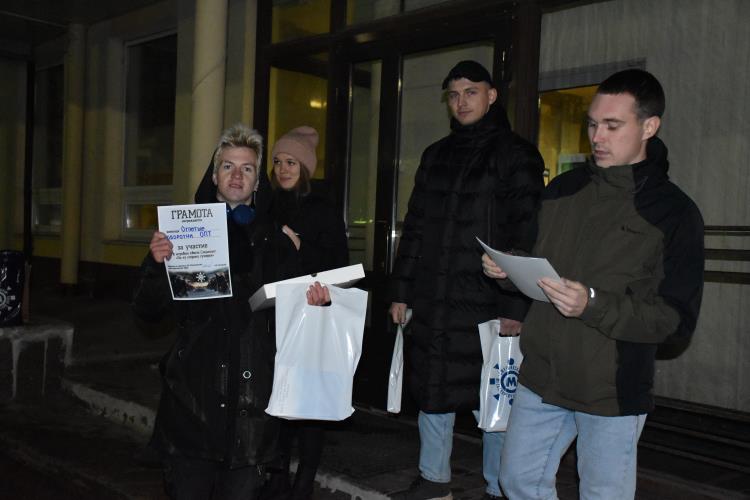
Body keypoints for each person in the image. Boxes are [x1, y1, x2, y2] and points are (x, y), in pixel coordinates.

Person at [483, 69, 705, 499]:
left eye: (612, 125)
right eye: (591, 124)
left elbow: (675, 322)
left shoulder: (674, 213)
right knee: (517, 482)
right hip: (542, 376)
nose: (597, 137)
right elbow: (541, 270)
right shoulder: (562, 190)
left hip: (611, 389)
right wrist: (510, 271)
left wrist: (592, 304)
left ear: (649, 126)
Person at [133, 123, 332, 500]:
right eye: (228, 166)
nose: (237, 175)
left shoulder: (277, 241)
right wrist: (157, 266)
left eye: (247, 168)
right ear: (214, 176)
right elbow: (148, 312)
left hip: (252, 417)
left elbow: (295, 323)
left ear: (258, 182)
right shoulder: (183, 237)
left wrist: (316, 302)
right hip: (191, 410)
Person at [388, 60, 545, 500]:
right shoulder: (435, 155)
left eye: (471, 92)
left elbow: (528, 233)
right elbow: (415, 227)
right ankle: (433, 480)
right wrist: (401, 291)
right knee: (432, 387)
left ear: (491, 95)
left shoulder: (517, 155)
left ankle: (497, 486)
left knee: (493, 397)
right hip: (435, 298)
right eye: (454, 95)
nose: (461, 102)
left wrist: (516, 308)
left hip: (489, 302)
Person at [261, 125, 349, 500]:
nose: (283, 169)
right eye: (278, 161)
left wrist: (301, 248)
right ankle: (277, 474)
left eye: (291, 162)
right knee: (277, 399)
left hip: (312, 318)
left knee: (309, 404)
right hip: (272, 318)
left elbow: (340, 267)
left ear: (306, 168)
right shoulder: (265, 206)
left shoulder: (322, 210)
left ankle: (304, 480)